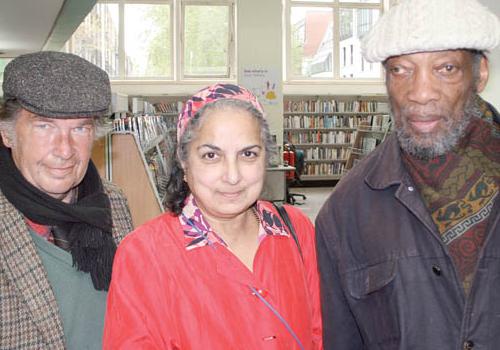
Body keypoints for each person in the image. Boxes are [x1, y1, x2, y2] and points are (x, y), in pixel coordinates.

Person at [315, 0, 500, 348]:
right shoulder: (345, 211)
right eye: (401, 70)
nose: (420, 93)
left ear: (480, 74)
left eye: (446, 68)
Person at [103, 83, 322, 349]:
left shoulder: (297, 229)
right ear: (184, 161)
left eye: (248, 154)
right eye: (211, 155)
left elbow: (319, 333)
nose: (232, 176)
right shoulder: (142, 254)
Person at [0, 51, 133, 349]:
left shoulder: (113, 203)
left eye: (80, 128)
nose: (65, 150)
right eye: (44, 126)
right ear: (7, 134)